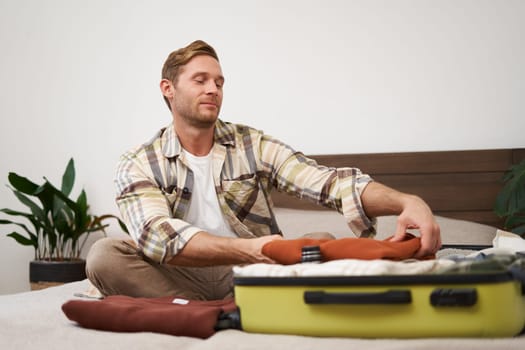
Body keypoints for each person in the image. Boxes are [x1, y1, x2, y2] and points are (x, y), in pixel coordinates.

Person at [86, 40, 441, 300]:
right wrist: (252, 248)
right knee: (105, 256)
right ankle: (233, 306)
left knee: (322, 243)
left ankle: (216, 305)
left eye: (219, 82)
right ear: (168, 89)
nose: (213, 89)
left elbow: (327, 183)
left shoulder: (251, 143)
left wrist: (407, 202)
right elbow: (158, 237)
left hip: (253, 272)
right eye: (200, 80)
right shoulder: (138, 161)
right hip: (181, 274)